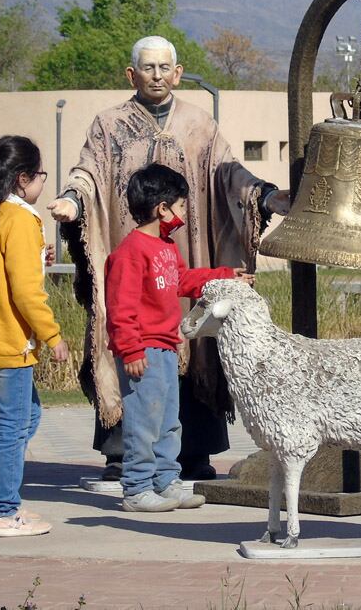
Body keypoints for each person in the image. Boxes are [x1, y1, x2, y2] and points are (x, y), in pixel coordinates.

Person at [48, 36, 289, 481]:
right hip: (133, 250)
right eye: (148, 67)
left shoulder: (200, 125)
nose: (157, 75)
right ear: (131, 74)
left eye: (165, 68)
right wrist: (74, 200)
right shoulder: (109, 126)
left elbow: (230, 173)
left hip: (185, 253)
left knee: (194, 344)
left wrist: (265, 196)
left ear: (178, 73)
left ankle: (193, 451)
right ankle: (126, 455)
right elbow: (88, 173)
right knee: (129, 339)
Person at [106, 163, 253, 511]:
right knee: (144, 423)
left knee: (169, 422)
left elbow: (184, 281)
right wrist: (131, 350)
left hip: (167, 349)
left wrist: (225, 277)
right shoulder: (130, 252)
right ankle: (137, 489)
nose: (183, 213)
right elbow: (119, 307)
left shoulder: (166, 247)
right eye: (182, 205)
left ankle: (165, 481)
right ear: (163, 208)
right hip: (143, 351)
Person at [0, 135, 71, 537]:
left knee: (30, 415)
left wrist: (36, 257)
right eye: (40, 175)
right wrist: (53, 335)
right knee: (12, 425)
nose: (43, 183)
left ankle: (0, 498)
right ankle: (6, 511)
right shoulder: (21, 219)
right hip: (13, 338)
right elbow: (26, 292)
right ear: (23, 178)